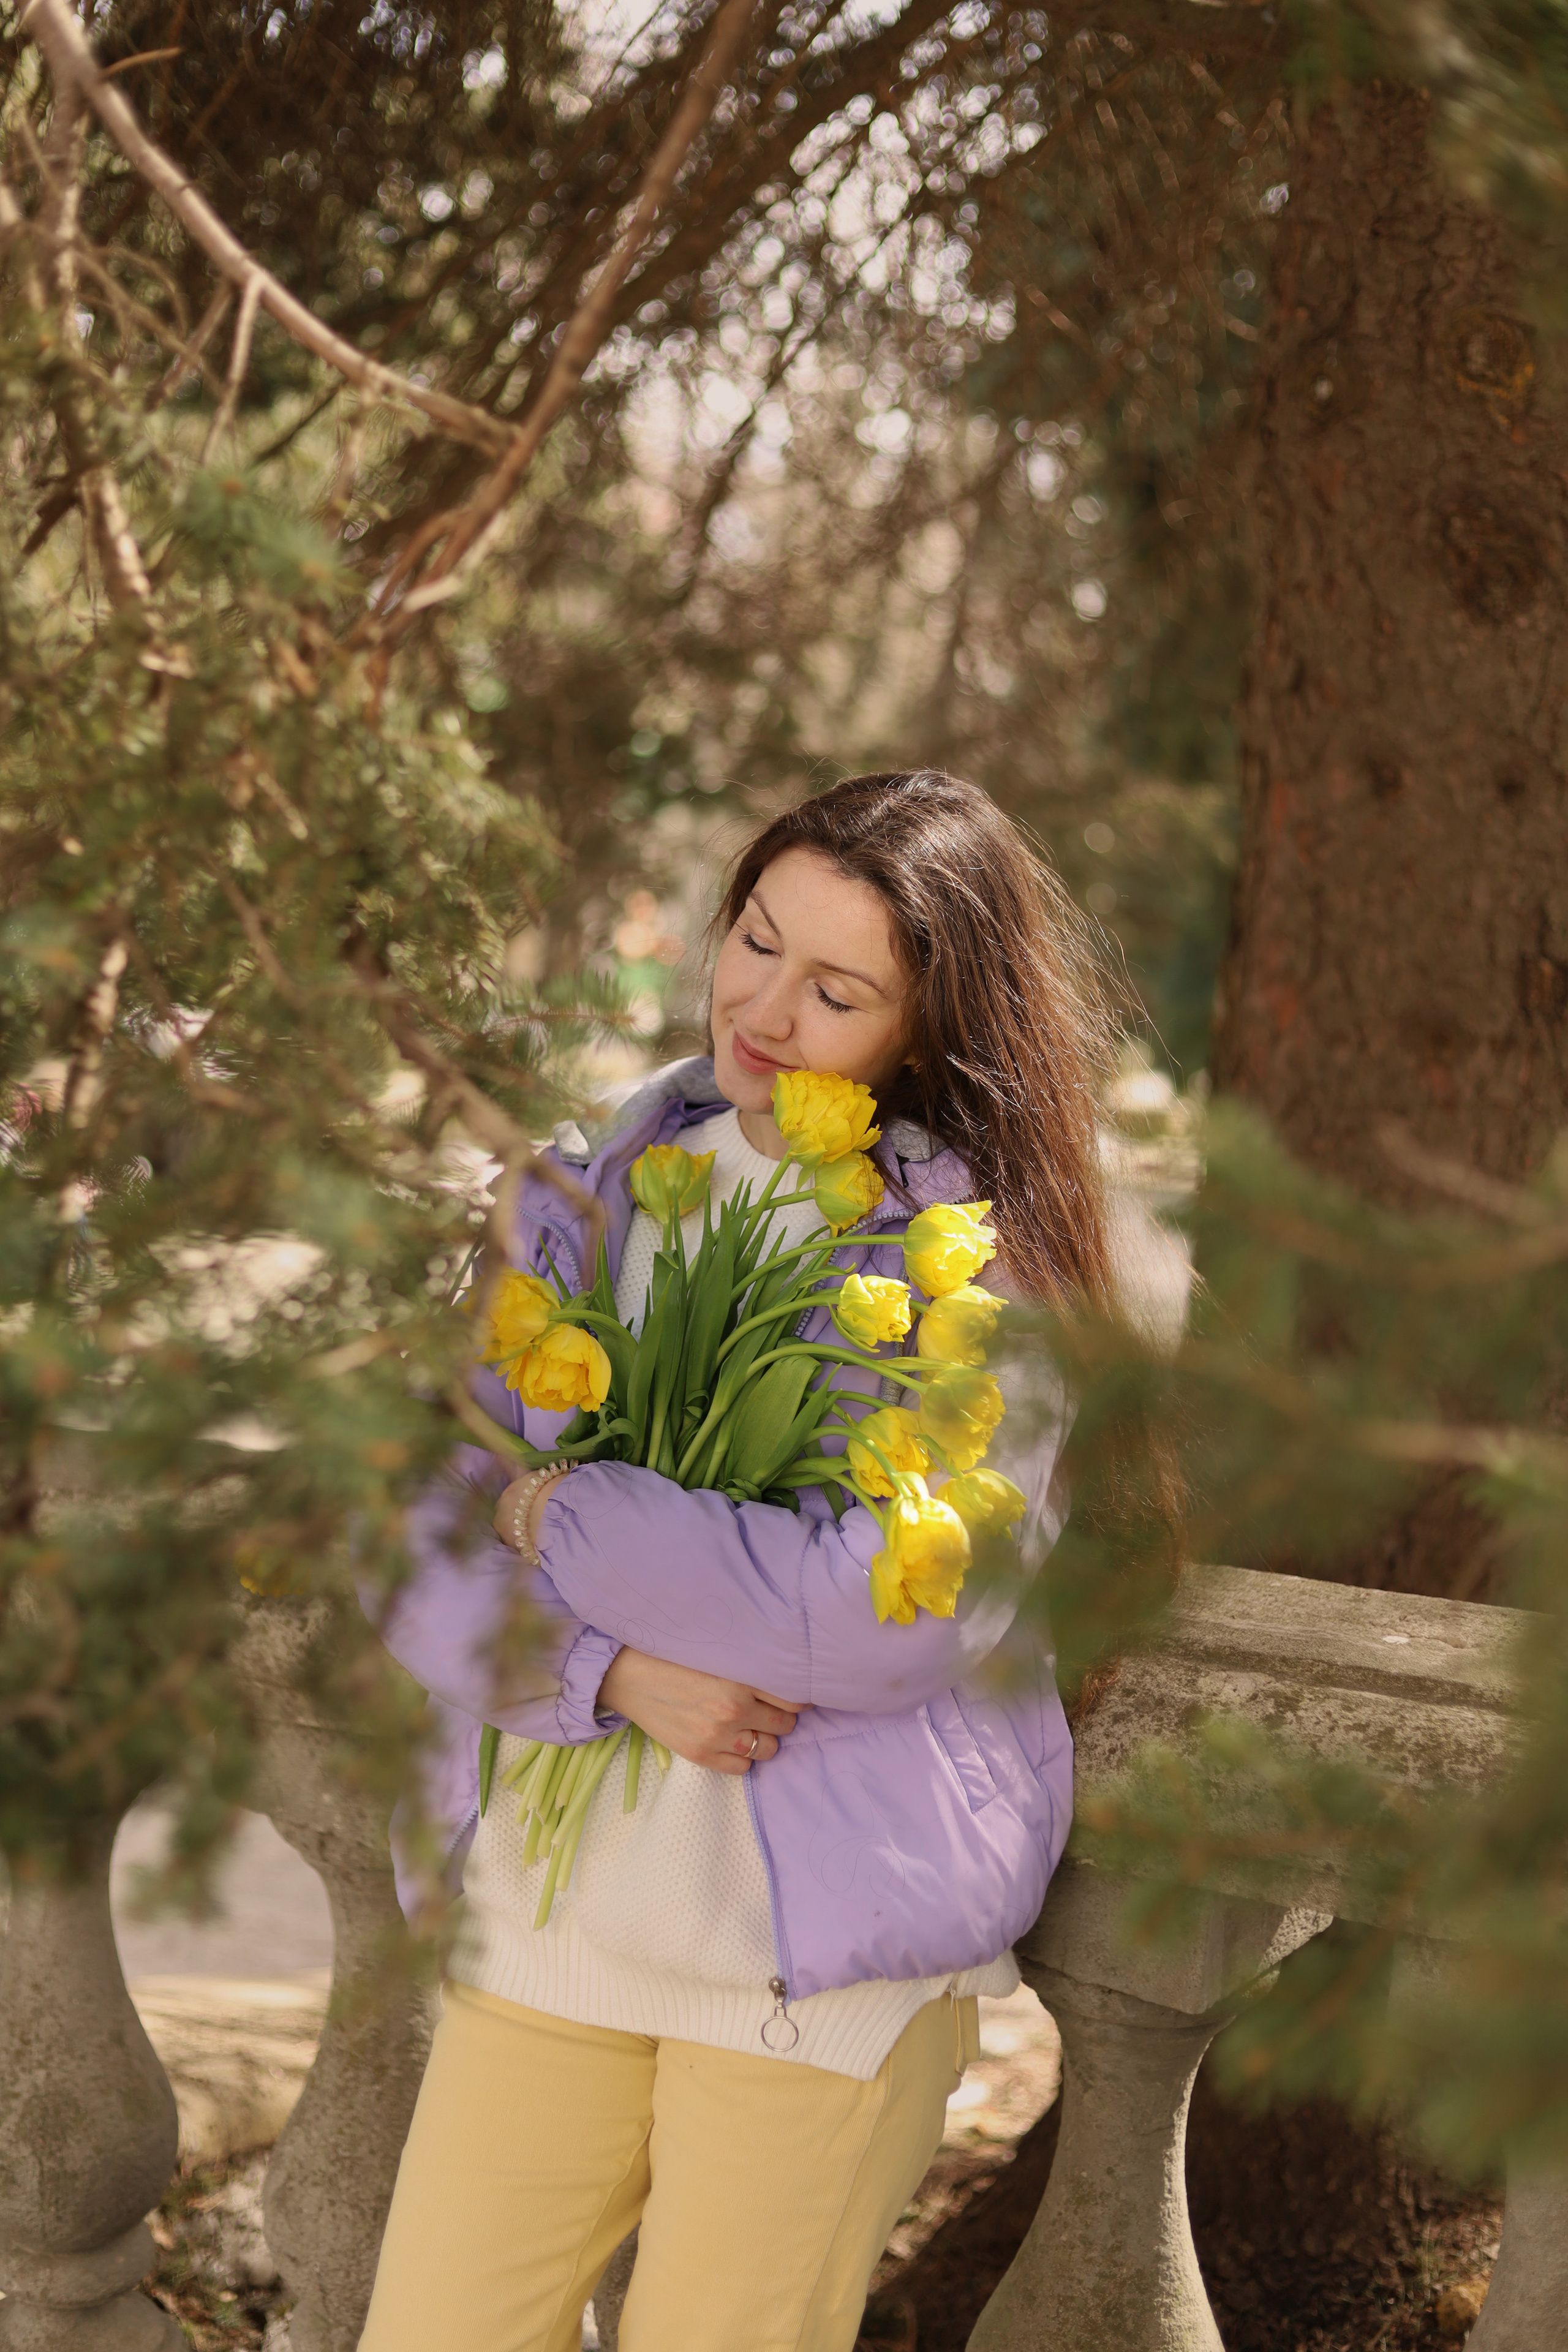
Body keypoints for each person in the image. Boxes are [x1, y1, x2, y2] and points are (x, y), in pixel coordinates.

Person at [356, 769, 1115, 2352]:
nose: (764, 1008)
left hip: (812, 1977)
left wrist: (553, 1515)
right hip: (548, 1928)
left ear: (926, 1027)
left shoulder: (972, 1269)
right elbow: (406, 1522)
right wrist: (609, 1673)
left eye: (836, 990)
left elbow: (879, 1616)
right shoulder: (594, 1184)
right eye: (755, 941)